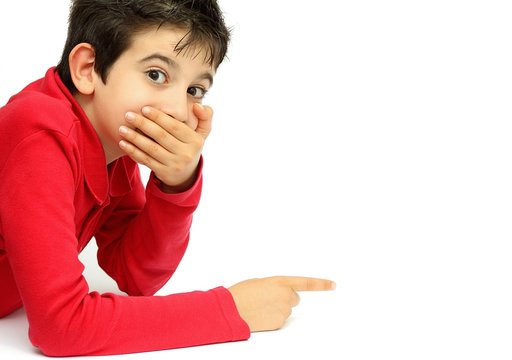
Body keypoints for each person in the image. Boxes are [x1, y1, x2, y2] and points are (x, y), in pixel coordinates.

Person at [0, 0, 335, 357]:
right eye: (156, 75)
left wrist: (176, 183)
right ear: (88, 68)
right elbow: (62, 327)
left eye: (195, 90)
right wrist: (231, 309)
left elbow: (137, 276)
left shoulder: (117, 142)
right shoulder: (41, 132)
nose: (177, 109)